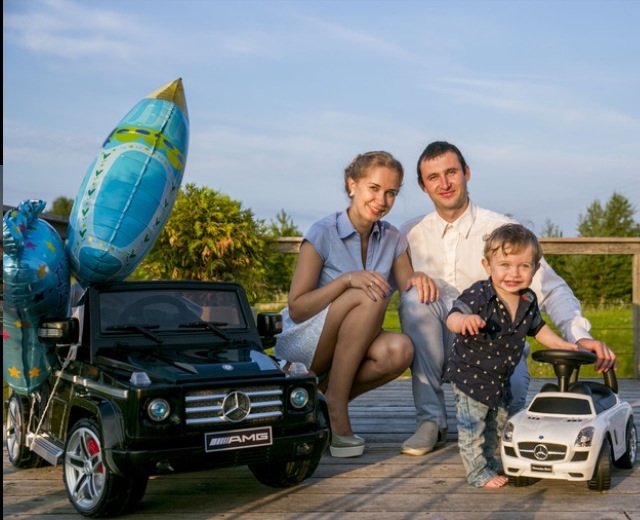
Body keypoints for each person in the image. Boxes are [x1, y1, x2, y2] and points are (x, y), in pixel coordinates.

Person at [399, 141, 617, 457]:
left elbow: (552, 289)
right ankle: (430, 421)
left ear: (466, 173)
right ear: (423, 186)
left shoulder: (501, 229)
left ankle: (501, 423)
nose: (444, 183)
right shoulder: (410, 233)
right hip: (437, 347)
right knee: (414, 300)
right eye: (433, 177)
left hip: (496, 348)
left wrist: (578, 335)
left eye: (451, 172)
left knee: (508, 427)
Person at [274, 151, 436, 458]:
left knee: (400, 349)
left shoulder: (392, 238)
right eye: (374, 188)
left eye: (391, 192)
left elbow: (408, 287)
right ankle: (336, 406)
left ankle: (325, 397)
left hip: (351, 346)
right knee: (368, 289)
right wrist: (346, 281)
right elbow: (296, 308)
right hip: (304, 343)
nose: (382, 200)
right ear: (352, 185)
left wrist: (420, 276)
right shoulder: (323, 232)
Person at [444, 223, 579, 488]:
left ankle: (488, 461)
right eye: (505, 265)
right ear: (487, 265)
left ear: (535, 269)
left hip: (500, 377)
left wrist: (562, 344)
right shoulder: (480, 294)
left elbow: (538, 329)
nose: (514, 273)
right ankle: (477, 472)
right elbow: (453, 317)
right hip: (471, 376)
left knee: (497, 424)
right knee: (473, 426)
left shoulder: (528, 300)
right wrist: (464, 321)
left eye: (523, 266)